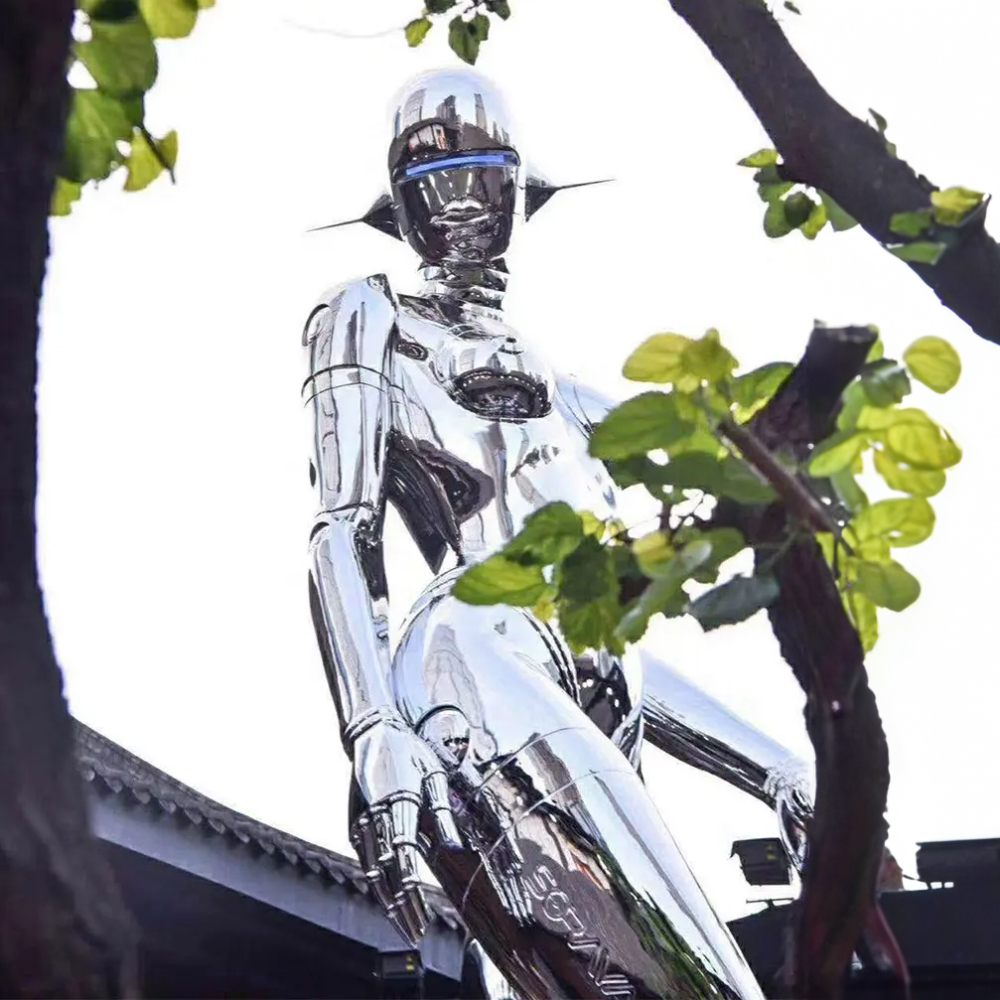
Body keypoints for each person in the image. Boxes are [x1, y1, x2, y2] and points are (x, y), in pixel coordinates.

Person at [303, 67, 810, 1000]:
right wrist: (373, 724)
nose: (466, 212)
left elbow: (614, 651)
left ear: (520, 196)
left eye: (488, 183)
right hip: (473, 668)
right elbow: (343, 527)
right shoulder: (371, 318)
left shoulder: (581, 409)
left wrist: (775, 766)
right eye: (438, 186)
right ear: (402, 209)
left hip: (592, 705)